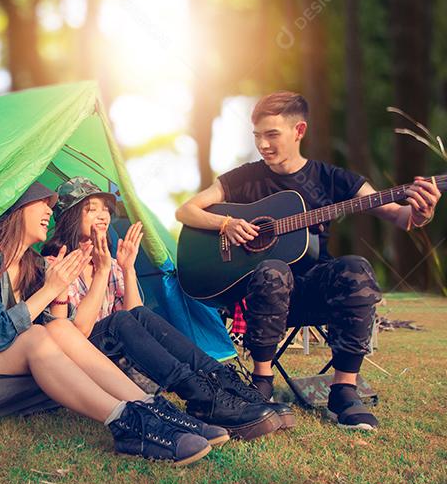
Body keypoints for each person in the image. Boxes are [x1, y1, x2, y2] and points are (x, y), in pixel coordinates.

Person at [176, 91, 442, 430]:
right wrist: (226, 223)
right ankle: (261, 383)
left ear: (299, 130)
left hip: (313, 294)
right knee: (273, 270)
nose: (263, 145)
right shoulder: (245, 178)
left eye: (272, 135)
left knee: (356, 268)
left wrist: (422, 213)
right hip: (260, 300)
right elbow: (186, 210)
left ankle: (344, 390)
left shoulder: (332, 179)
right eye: (257, 136)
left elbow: (400, 216)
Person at [0, 181, 225, 466]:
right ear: (13, 208)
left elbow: (61, 331)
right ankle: (124, 421)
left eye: (51, 207)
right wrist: (50, 290)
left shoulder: (34, 264)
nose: (49, 213)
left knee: (53, 328)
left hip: (17, 355)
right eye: (42, 203)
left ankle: (152, 408)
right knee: (36, 336)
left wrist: (60, 294)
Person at [42, 177, 286, 441]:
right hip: (81, 354)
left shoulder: (110, 264)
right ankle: (201, 397)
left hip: (114, 352)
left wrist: (127, 268)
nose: (102, 215)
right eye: (91, 209)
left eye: (105, 209)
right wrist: (101, 274)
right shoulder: (55, 263)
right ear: (69, 216)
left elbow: (136, 317)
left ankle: (228, 385)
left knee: (138, 315)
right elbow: (76, 333)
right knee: (119, 321)